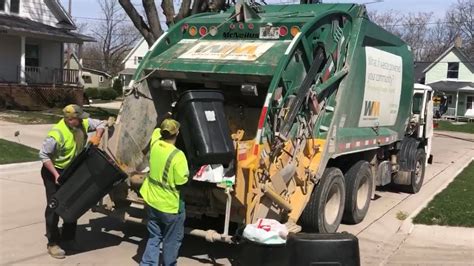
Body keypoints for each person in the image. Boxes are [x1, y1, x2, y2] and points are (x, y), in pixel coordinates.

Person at [39, 104, 105, 259]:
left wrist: (98, 136)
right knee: (54, 206)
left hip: (72, 168)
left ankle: (68, 238)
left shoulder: (83, 123)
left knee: (74, 203)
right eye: (79, 119)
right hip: (54, 170)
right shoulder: (56, 134)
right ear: (70, 120)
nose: (83, 121)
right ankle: (53, 243)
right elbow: (43, 156)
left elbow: (100, 124)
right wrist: (56, 175)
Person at [140, 119, 189, 266]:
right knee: (171, 240)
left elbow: (156, 131)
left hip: (152, 200)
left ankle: (148, 263)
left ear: (162, 132)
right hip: (169, 205)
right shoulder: (178, 155)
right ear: (178, 133)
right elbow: (182, 181)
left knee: (154, 235)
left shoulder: (155, 144)